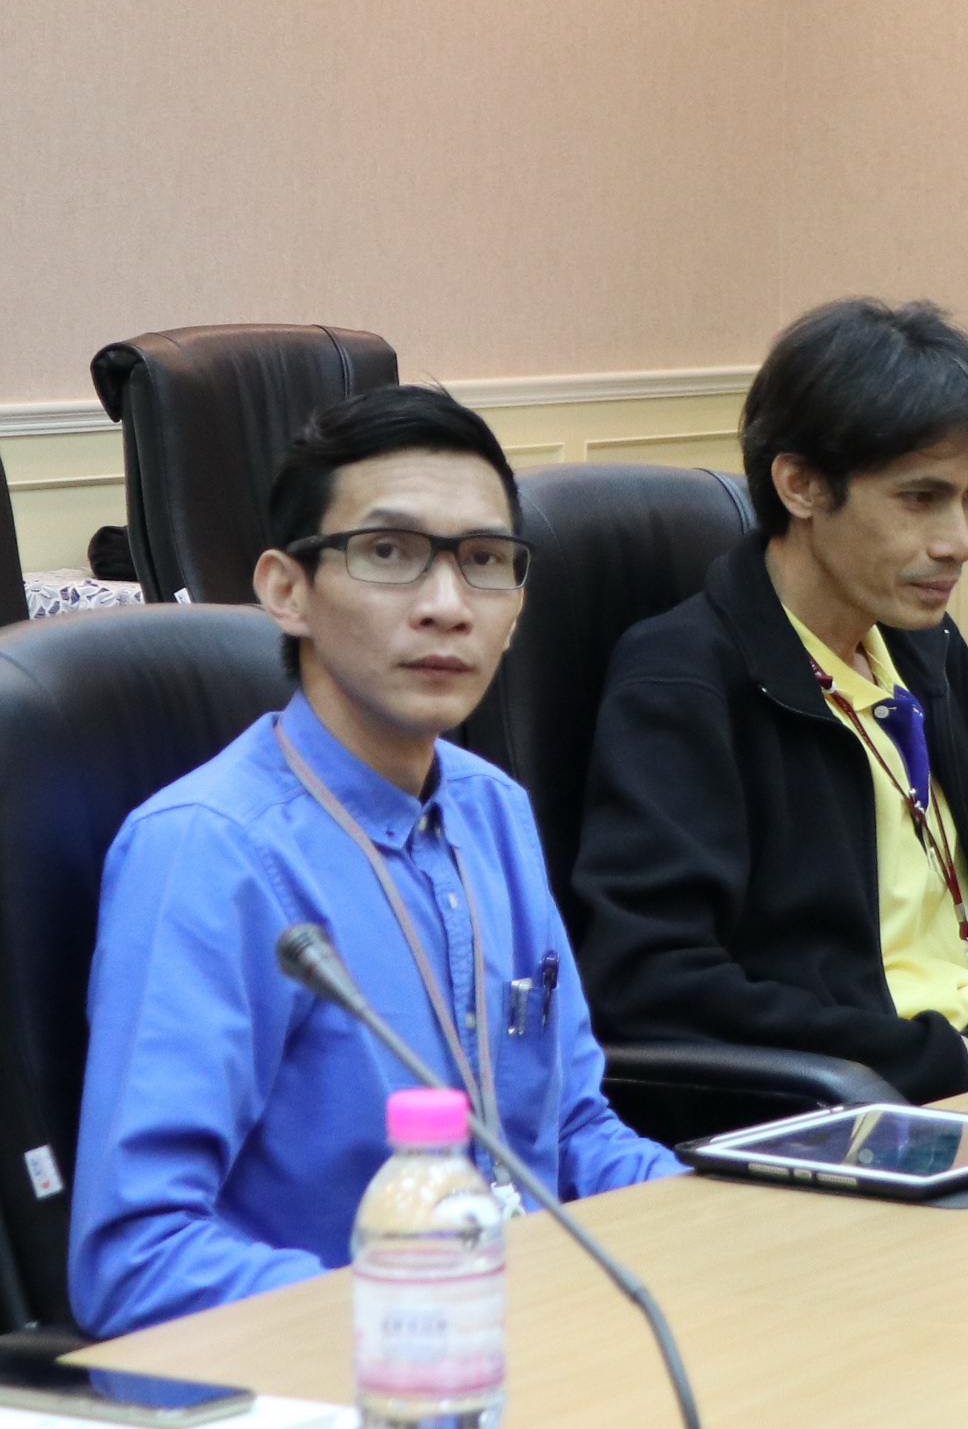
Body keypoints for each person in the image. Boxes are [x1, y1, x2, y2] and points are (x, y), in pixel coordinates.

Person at [71, 387, 679, 1339]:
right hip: (335, 1367)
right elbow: (137, 1257)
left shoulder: (492, 809)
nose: (446, 606)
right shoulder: (208, 850)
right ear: (287, 590)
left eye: (485, 561)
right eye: (389, 553)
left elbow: (571, 1132)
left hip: (531, 1332)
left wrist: (726, 1226)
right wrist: (425, 1320)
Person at [571, 299, 968, 1104]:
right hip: (858, 1110)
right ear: (800, 484)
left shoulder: (924, 649)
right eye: (920, 498)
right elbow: (653, 980)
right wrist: (947, 1064)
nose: (960, 541)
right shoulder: (683, 680)